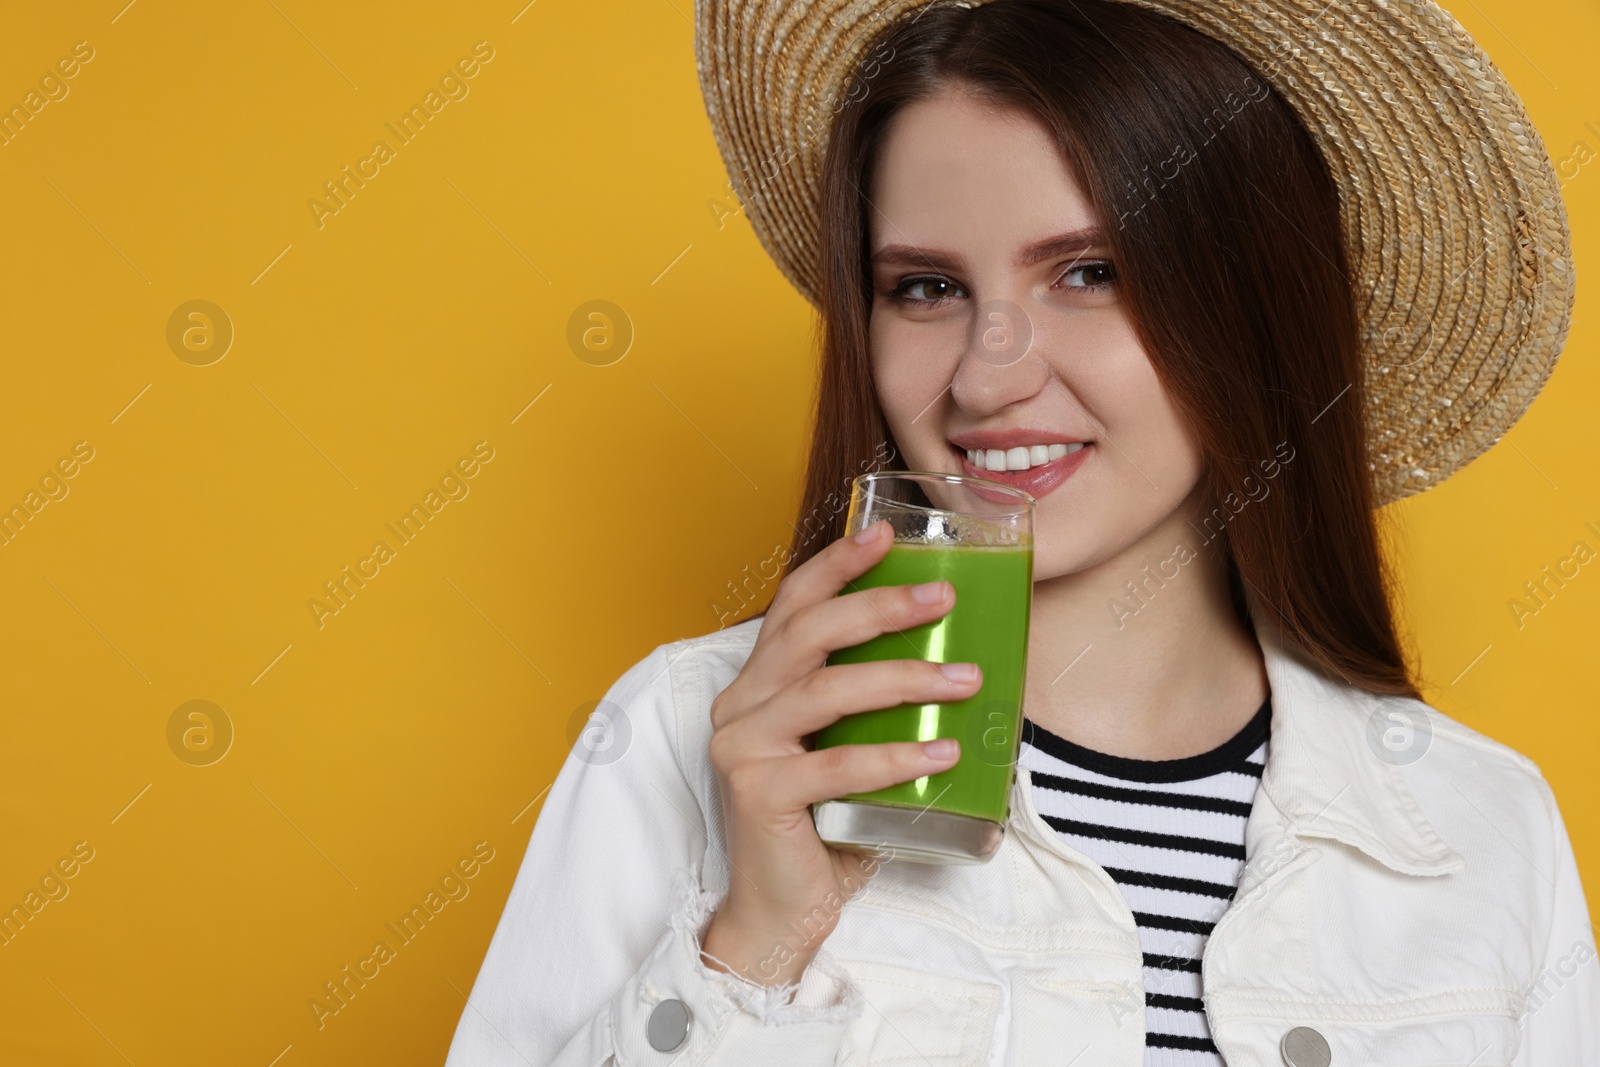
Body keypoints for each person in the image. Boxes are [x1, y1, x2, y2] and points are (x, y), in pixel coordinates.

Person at [445, 1, 1597, 1064]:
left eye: (1089, 271)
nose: (990, 375)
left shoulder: (1480, 828)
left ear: (1245, 309)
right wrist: (756, 940)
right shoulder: (682, 742)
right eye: (925, 289)